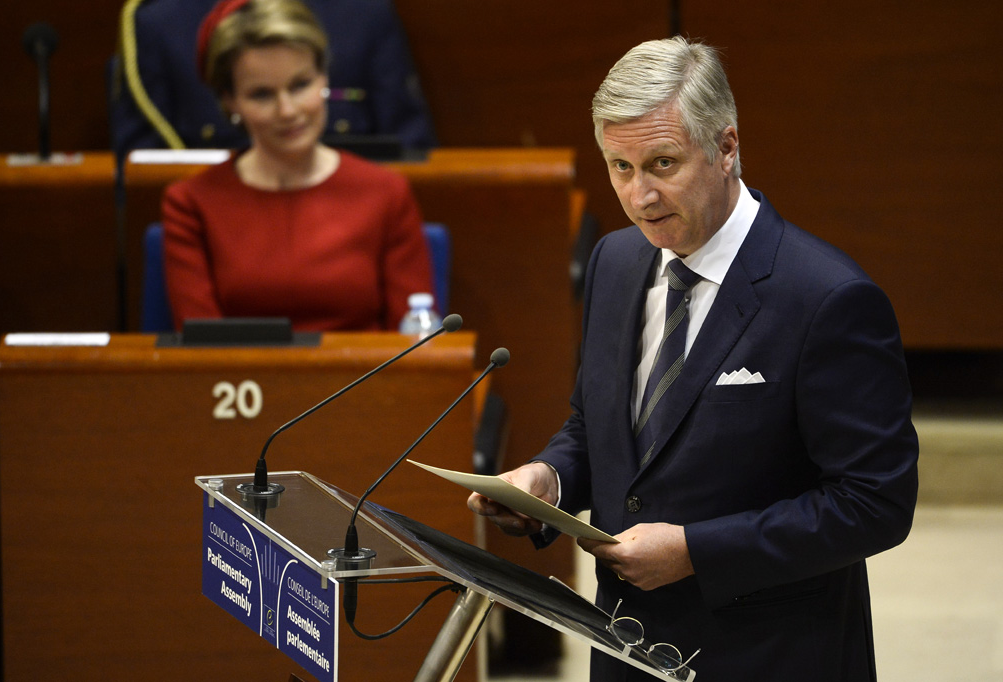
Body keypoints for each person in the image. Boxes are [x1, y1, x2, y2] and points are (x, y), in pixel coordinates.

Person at [468, 37, 919, 681]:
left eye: (662, 163)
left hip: (772, 655)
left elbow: (876, 502)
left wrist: (696, 551)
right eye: (620, 168)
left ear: (727, 147)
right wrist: (552, 479)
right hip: (627, 648)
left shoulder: (828, 298)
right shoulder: (615, 262)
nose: (640, 196)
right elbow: (599, 429)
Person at [162, 0, 433, 332]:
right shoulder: (191, 204)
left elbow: (412, 347)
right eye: (262, 95)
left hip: (363, 380)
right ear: (230, 101)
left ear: (324, 77)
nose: (288, 110)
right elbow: (202, 348)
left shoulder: (385, 193)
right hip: (242, 383)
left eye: (300, 85)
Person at [111, 0, 436, 159]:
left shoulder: (362, 13)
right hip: (218, 233)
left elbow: (409, 149)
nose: (285, 110)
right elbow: (142, 173)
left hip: (350, 229)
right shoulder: (160, 23)